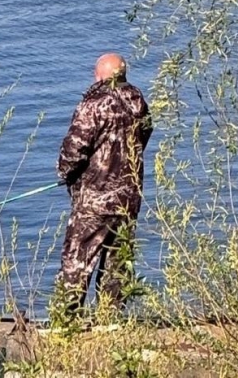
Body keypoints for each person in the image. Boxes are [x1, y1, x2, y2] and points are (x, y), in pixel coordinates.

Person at [53, 52, 153, 314]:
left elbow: (75, 149)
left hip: (95, 198)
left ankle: (66, 319)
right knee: (117, 260)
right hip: (129, 196)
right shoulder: (138, 100)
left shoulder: (94, 104)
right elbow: (145, 135)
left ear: (100, 75)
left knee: (78, 258)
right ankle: (110, 318)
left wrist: (64, 173)